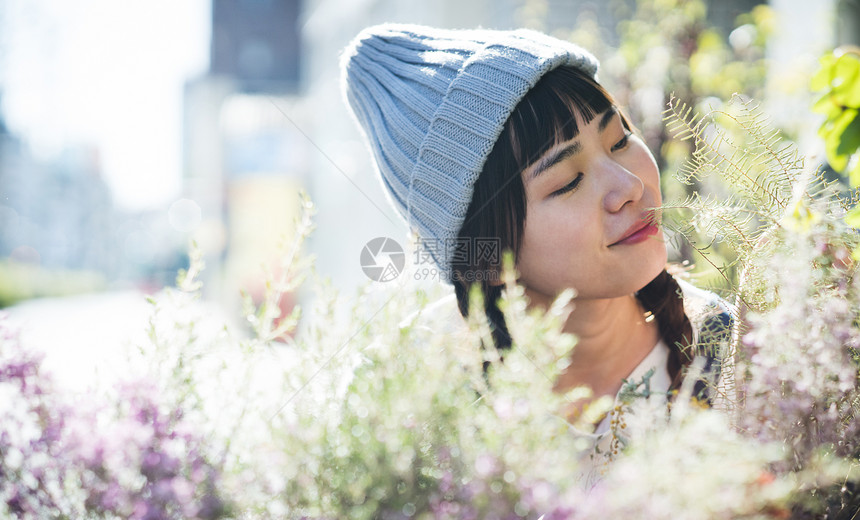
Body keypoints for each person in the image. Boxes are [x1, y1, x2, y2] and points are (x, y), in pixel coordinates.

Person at [340, 24, 734, 473]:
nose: (629, 186)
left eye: (620, 140)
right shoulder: (406, 397)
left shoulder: (736, 352)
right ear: (485, 254)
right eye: (568, 181)